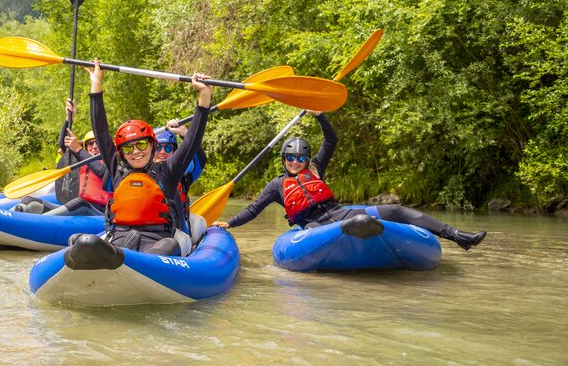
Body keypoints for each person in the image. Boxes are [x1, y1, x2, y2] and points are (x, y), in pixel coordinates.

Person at [213, 111, 487, 250]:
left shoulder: (317, 168)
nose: (295, 163)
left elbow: (332, 140)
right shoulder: (276, 185)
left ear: (307, 160)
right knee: (352, 225)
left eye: (300, 159)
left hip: (339, 212)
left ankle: (456, 236)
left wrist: (320, 115)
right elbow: (253, 209)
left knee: (395, 210)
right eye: (290, 158)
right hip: (313, 226)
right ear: (283, 160)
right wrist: (229, 223)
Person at [88, 59, 212, 256]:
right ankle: (114, 257)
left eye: (142, 144)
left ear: (152, 146)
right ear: (122, 154)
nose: (136, 151)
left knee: (168, 247)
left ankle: (128, 260)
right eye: (128, 148)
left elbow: (193, 140)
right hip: (119, 237)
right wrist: (96, 82)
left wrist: (204, 94)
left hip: (159, 242)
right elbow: (100, 130)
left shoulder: (169, 171)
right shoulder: (117, 169)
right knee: (79, 240)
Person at [154, 121, 207, 235]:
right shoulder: (139, 172)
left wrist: (185, 134)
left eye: (168, 148)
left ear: (174, 152)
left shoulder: (183, 175)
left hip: (177, 232)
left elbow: (201, 160)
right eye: (158, 147)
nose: (162, 152)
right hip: (149, 231)